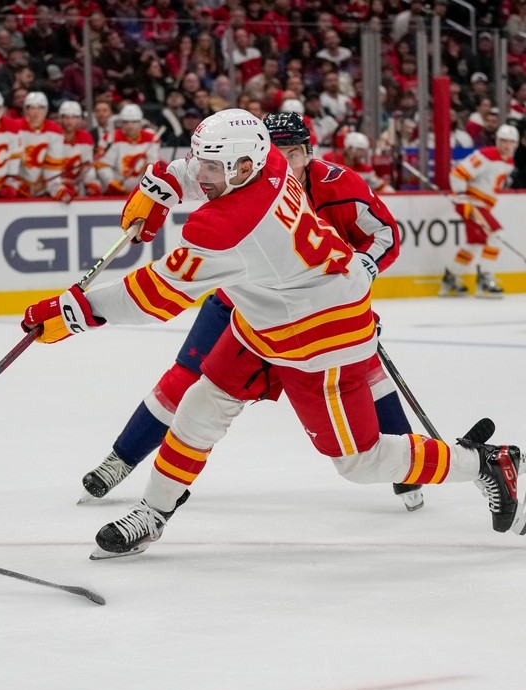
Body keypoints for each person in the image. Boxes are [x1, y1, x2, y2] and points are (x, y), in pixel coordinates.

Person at [20, 108, 522, 558]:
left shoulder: (228, 228)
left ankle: (483, 464)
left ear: (243, 166)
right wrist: (161, 185)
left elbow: (153, 296)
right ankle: (153, 513)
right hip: (265, 319)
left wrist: (71, 311)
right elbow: (199, 176)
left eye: (211, 168)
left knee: (360, 462)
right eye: (202, 164)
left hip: (321, 338)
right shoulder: (272, 166)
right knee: (201, 404)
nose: (202, 175)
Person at [75, 109, 423, 514]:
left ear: (308, 153)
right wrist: (163, 183)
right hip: (242, 303)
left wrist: (364, 267)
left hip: (318, 310)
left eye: (291, 153)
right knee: (186, 377)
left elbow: (384, 232)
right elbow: (194, 171)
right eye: (276, 152)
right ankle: (121, 459)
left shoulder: (340, 185)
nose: (282, 160)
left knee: (367, 376)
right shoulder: (247, 179)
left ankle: (407, 472)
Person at [440, 124, 519, 298]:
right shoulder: (487, 155)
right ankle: (485, 279)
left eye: (511, 142)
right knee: (496, 234)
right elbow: (458, 174)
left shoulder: (509, 162)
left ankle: (451, 279)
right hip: (473, 204)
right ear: (497, 141)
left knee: (475, 244)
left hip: (482, 205)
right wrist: (461, 199)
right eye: (503, 141)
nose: (506, 145)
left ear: (516, 144)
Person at [14, 91, 72, 202]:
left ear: (45, 111)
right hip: (17, 189)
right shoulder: (15, 128)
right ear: (26, 110)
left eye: (40, 108)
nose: (36, 113)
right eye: (32, 108)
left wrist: (57, 189)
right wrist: (14, 184)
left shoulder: (55, 131)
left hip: (42, 190)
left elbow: (52, 168)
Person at [95, 103, 160, 195]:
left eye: (134, 122)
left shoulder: (151, 138)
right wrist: (111, 182)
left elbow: (153, 166)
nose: (130, 126)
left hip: (142, 192)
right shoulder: (110, 137)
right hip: (115, 192)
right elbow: (101, 165)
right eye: (126, 122)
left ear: (140, 122)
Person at [58, 100, 101, 197]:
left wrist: (91, 182)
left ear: (79, 120)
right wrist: (60, 183)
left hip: (75, 184)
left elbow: (87, 167)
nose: (70, 122)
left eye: (74, 118)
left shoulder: (86, 138)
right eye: (66, 117)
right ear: (60, 119)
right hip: (54, 185)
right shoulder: (54, 136)